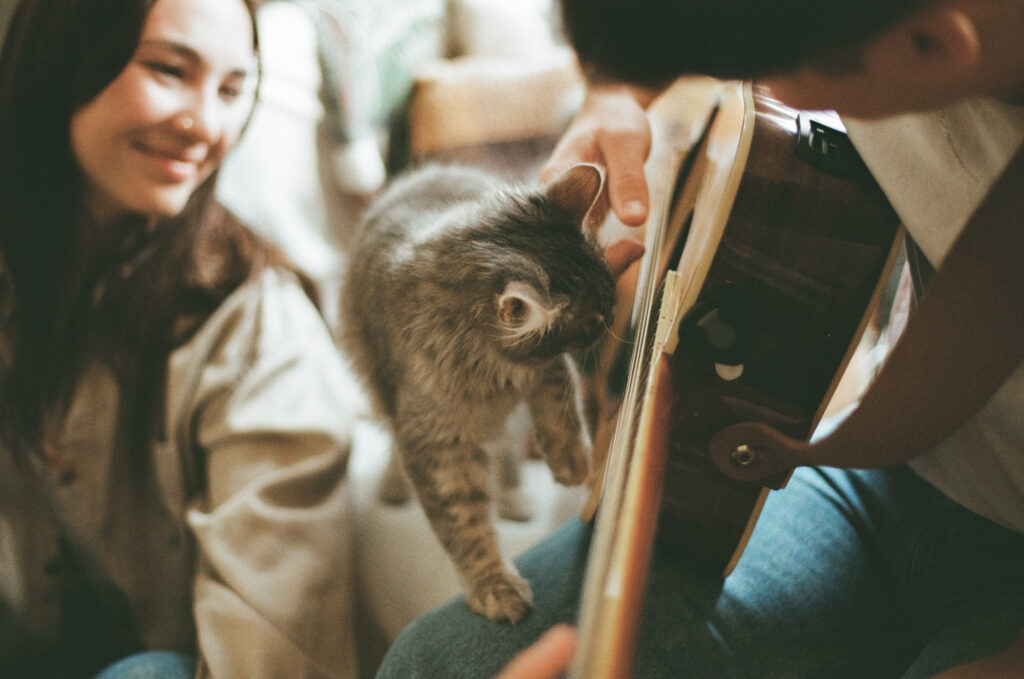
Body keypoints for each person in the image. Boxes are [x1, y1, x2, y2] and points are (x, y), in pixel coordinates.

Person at [376, 0, 1024, 676]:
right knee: (436, 662)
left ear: (931, 48)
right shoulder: (869, 27)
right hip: (892, 470)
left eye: (751, 71)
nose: (729, 81)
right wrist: (614, 93)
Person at [0, 0, 358, 677]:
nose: (205, 124)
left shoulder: (255, 324)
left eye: (231, 89)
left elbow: (270, 651)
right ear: (64, 58)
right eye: (170, 70)